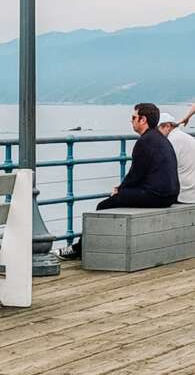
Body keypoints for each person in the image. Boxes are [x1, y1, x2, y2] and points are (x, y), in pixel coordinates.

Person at [59, 103, 179, 260]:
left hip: (156, 195)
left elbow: (136, 174)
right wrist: (124, 189)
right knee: (118, 198)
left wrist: (120, 190)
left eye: (134, 117)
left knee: (103, 206)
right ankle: (86, 247)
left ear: (143, 120)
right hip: (170, 193)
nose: (131, 121)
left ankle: (78, 249)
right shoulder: (160, 139)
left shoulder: (144, 142)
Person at [158, 111, 195, 203]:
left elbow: (164, 170)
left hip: (183, 195)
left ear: (167, 126)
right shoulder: (186, 137)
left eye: (157, 129)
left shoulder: (172, 141)